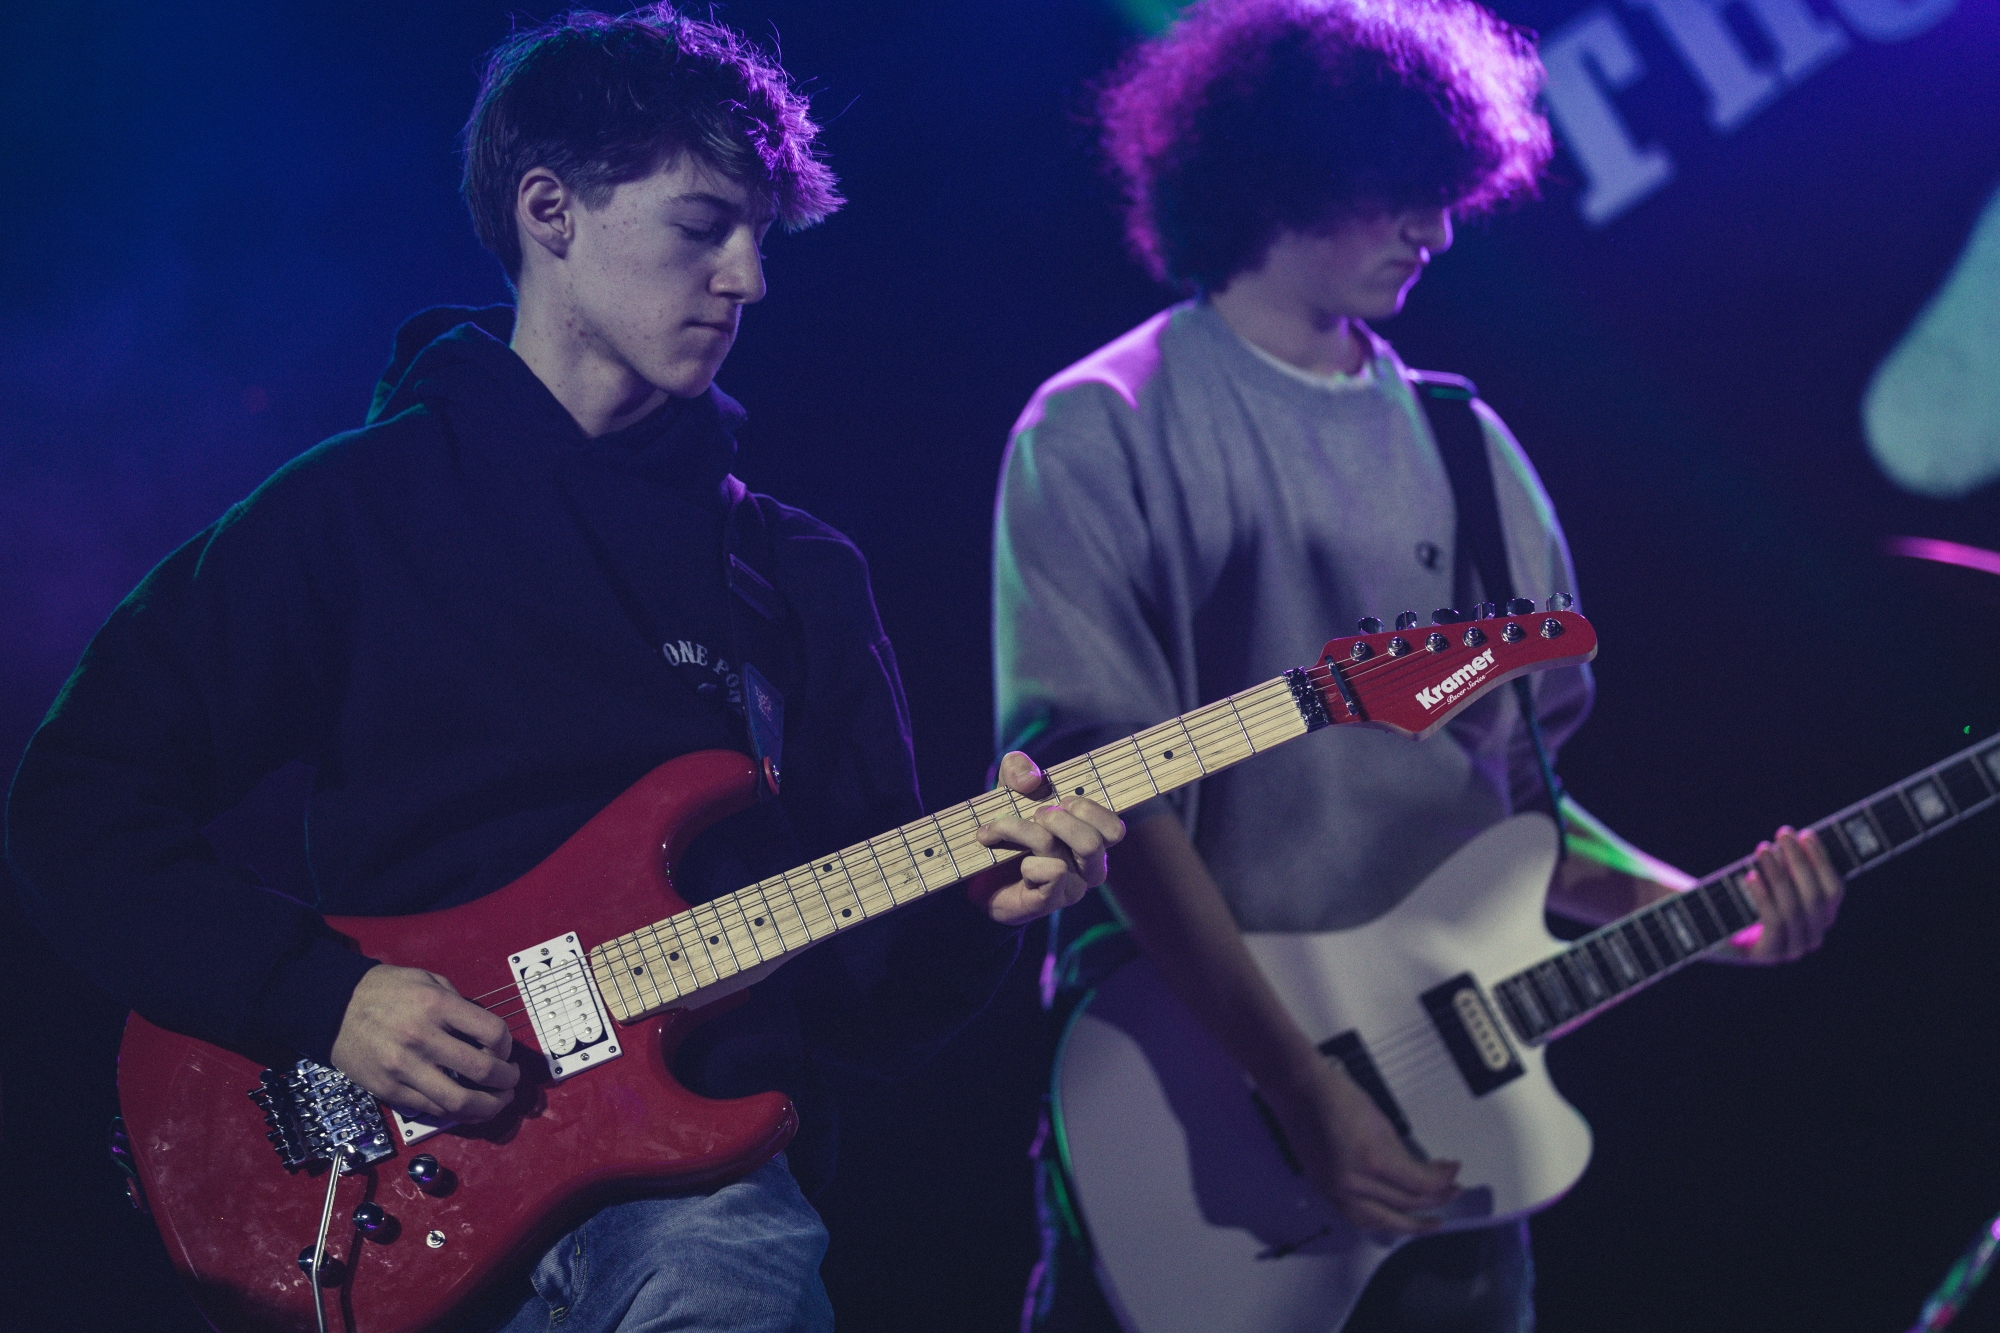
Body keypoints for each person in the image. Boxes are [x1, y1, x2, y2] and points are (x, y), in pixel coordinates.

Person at [7, 7, 1122, 1332]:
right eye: (703, 225)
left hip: (689, 1198)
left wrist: (982, 904)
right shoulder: (352, 513)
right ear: (551, 211)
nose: (750, 278)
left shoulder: (793, 575)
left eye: (761, 234)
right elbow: (75, 802)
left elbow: (861, 1006)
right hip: (389, 1200)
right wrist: (327, 997)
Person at [990, 1, 1843, 1328]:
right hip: (1187, 1117)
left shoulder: (1470, 448)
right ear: (1278, 171)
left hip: (1450, 1135)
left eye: (1447, 192)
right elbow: (1108, 797)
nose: (1435, 230)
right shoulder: (1101, 423)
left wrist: (1710, 911)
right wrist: (1299, 1083)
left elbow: (1519, 812)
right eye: (1396, 190)